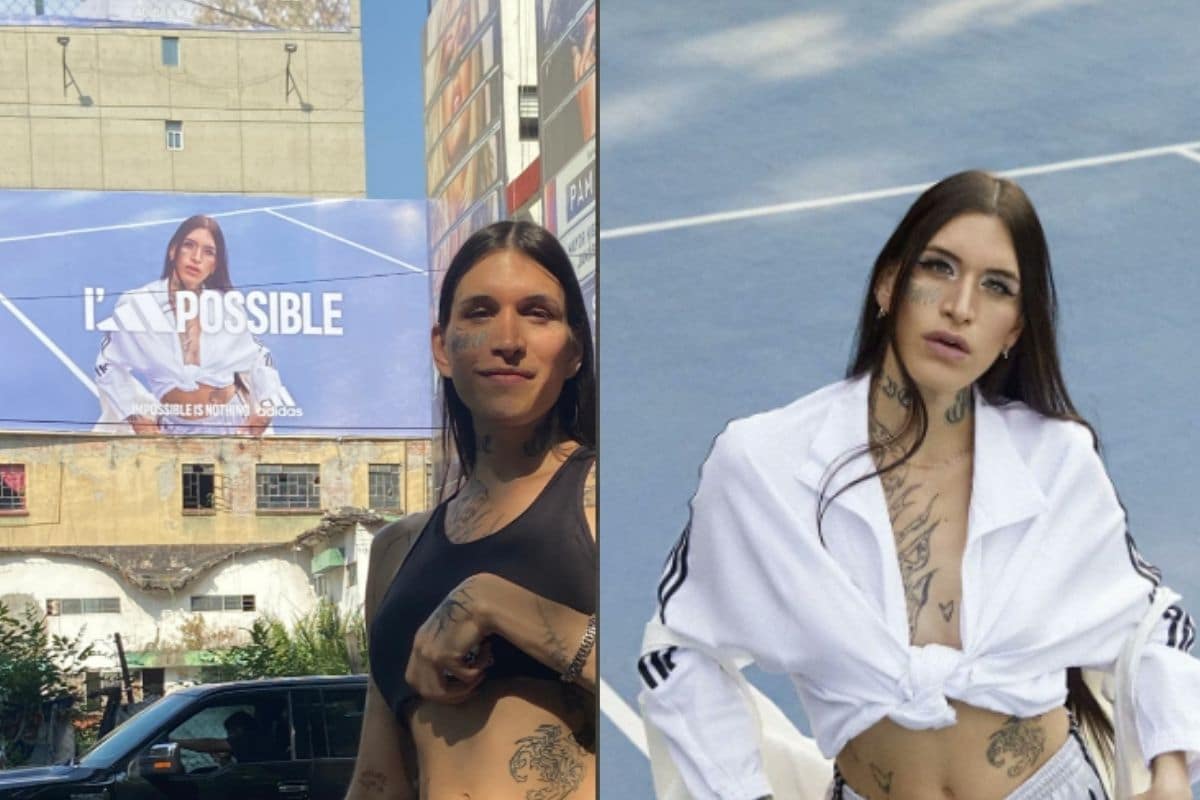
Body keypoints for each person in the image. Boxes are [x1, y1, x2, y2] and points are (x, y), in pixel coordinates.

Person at [638, 171, 1200, 799]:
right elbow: (679, 647)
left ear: (1015, 329)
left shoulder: (1057, 461)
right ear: (888, 284)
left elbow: (1154, 621)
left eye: (996, 287)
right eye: (939, 268)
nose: (961, 306)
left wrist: (1171, 773)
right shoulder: (763, 465)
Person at [348, 220, 598, 799]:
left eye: (537, 313)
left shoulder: (606, 500)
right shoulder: (396, 551)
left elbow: (670, 682)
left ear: (574, 350)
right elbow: (377, 777)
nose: (508, 338)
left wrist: (495, 603)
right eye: (480, 312)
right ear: (442, 347)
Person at [94, 215, 292, 436]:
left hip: (233, 420)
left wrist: (265, 407)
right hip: (174, 426)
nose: (197, 258)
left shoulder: (225, 305)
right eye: (189, 246)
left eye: (208, 252)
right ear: (173, 251)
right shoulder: (139, 302)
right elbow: (107, 364)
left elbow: (259, 356)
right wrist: (136, 417)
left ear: (214, 265)